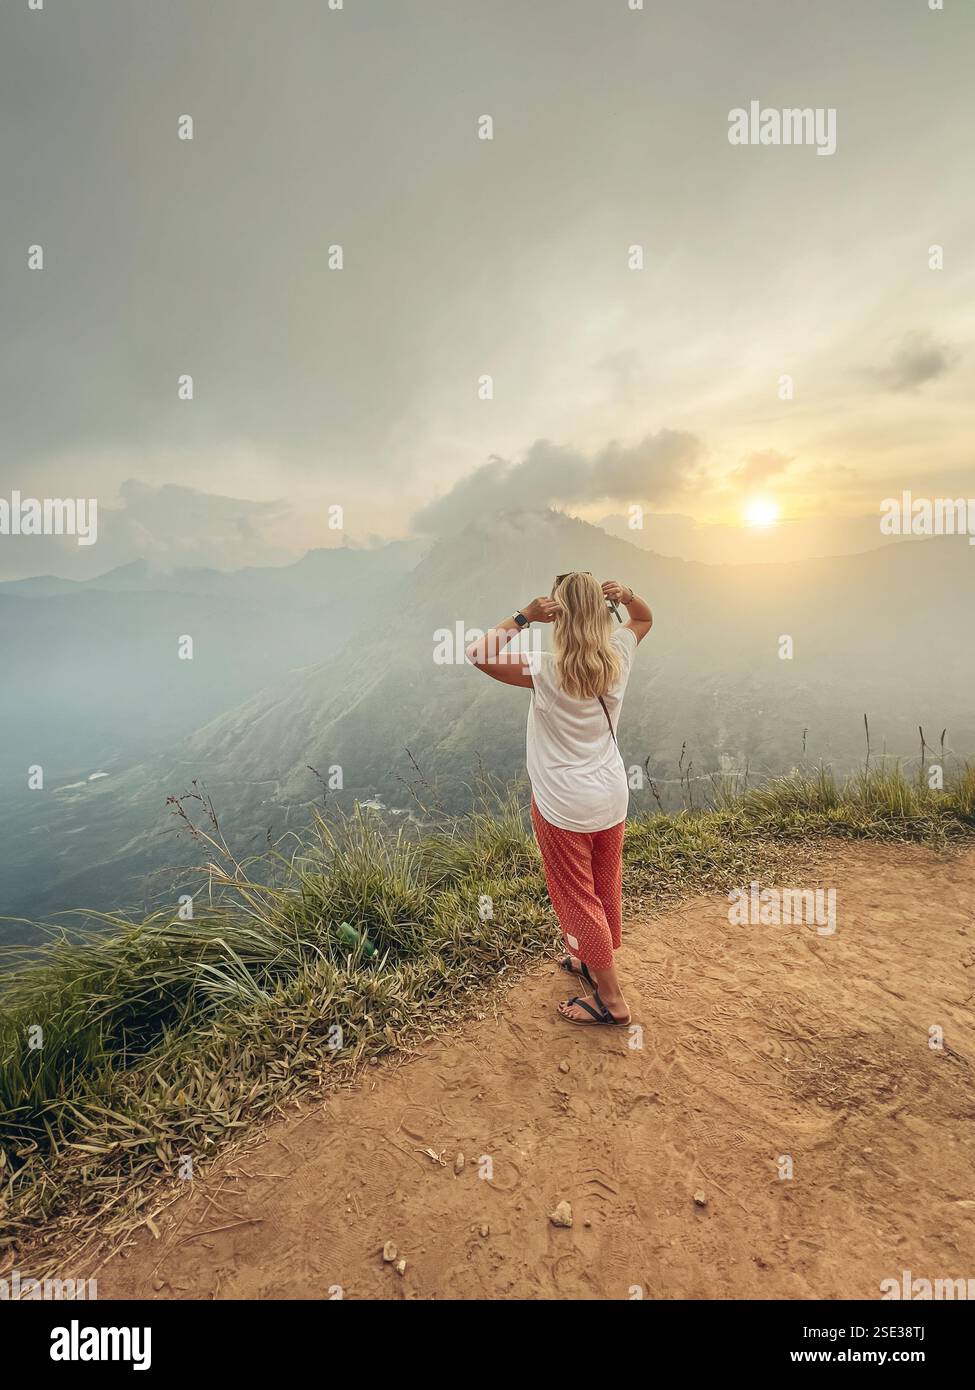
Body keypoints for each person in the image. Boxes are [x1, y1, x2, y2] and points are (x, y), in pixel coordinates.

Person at [465, 573, 652, 1025]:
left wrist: (523, 616)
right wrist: (626, 596)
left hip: (563, 804)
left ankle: (611, 1001)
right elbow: (644, 617)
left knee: (576, 898)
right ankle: (591, 958)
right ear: (601, 612)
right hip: (610, 796)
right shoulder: (620, 654)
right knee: (603, 886)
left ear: (560, 617)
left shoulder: (546, 667)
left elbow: (478, 654)